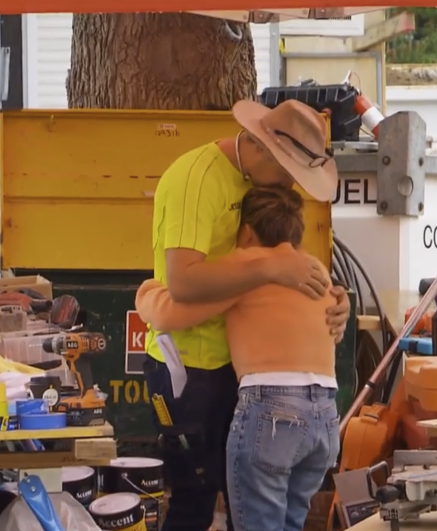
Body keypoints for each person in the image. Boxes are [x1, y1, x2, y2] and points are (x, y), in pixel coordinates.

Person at [144, 98, 350, 531]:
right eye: (289, 172)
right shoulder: (195, 179)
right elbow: (183, 283)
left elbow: (288, 265)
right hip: (192, 365)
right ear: (260, 145)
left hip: (247, 375)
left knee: (249, 513)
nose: (292, 187)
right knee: (193, 503)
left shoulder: (262, 184)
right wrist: (270, 269)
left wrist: (335, 299)